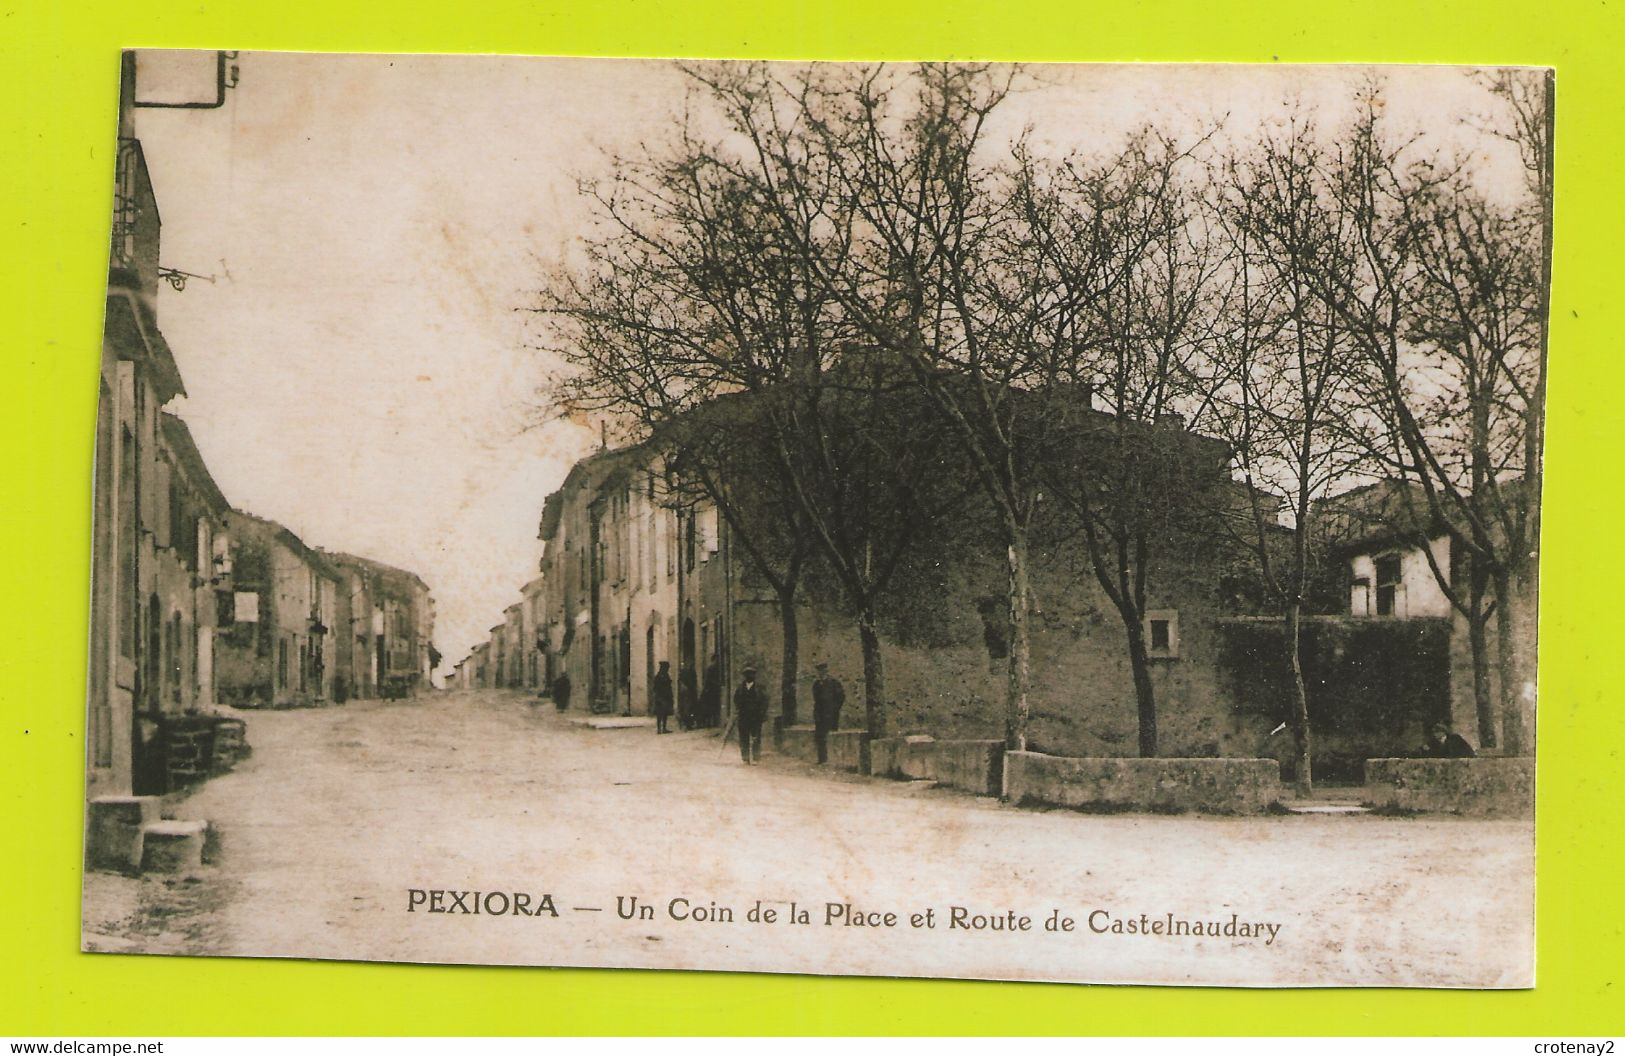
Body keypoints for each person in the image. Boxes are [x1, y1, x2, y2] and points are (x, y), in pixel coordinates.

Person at [811, 662, 846, 765]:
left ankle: (833, 759)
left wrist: (835, 709)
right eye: (819, 672)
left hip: (831, 714)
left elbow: (841, 697)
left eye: (823, 671)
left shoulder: (834, 683)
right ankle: (822, 759)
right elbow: (816, 700)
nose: (821, 673)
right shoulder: (816, 684)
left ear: (826, 672)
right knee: (820, 736)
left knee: (831, 735)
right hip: (819, 714)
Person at [733, 666, 768, 765]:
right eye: (747, 674)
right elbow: (736, 699)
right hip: (743, 716)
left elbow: (765, 701)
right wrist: (738, 709)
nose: (749, 676)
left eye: (751, 674)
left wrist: (762, 713)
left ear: (754, 675)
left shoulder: (759, 688)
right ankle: (745, 758)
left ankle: (756, 758)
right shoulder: (740, 688)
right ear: (745, 676)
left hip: (755, 717)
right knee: (744, 737)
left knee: (756, 737)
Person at [651, 661, 674, 734]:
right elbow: (655, 687)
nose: (667, 669)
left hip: (665, 696)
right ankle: (659, 729)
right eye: (666, 667)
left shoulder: (666, 675)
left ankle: (663, 728)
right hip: (660, 697)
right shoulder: (659, 676)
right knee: (660, 713)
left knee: (664, 713)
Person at [678, 665, 698, 731]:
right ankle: (687, 724)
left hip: (687, 693)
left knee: (686, 709)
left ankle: (686, 724)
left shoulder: (683, 672)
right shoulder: (690, 672)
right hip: (688, 693)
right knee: (688, 709)